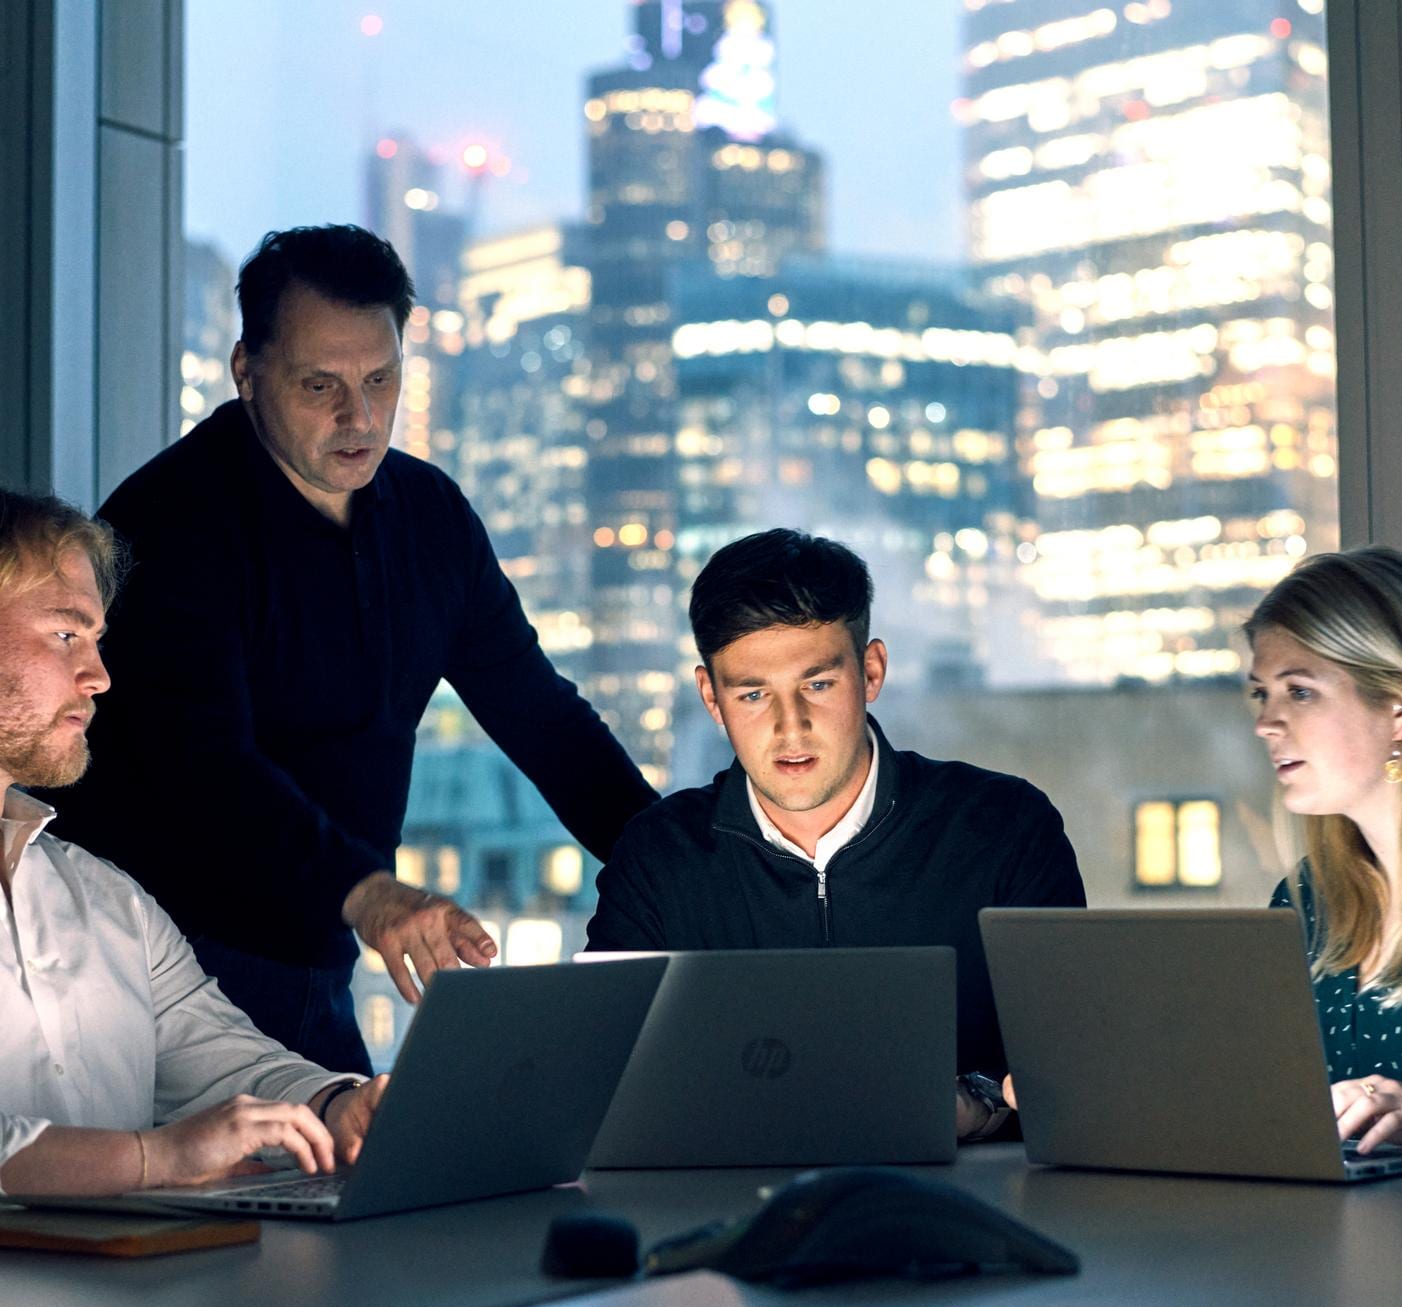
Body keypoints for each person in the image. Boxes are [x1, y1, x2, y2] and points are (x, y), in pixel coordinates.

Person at [51, 224, 657, 1074]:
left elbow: (541, 715)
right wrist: (371, 893)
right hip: (164, 963)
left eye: (381, 379)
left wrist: (667, 859)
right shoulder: (171, 523)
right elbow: (206, 767)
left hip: (327, 947)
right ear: (246, 372)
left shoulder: (430, 514)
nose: (360, 417)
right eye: (319, 385)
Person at [586, 529, 1086, 1139]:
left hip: (970, 1204)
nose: (788, 727)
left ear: (871, 671)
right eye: (752, 694)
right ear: (711, 699)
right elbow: (601, 1082)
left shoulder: (1006, 829)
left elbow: (1075, 1066)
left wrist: (968, 1106)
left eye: (817, 685)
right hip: (728, 1210)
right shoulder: (658, 859)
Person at [0, 490, 386, 1196]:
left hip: (129, 1296)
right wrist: (155, 1160)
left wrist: (338, 1106)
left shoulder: (108, 901)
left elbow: (227, 1062)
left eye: (98, 640)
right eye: (65, 635)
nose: (100, 677)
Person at [1246, 545, 1402, 1155]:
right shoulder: (1308, 899)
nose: (1266, 722)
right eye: (1262, 693)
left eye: (1301, 692)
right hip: (1320, 1234)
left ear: (1399, 706)